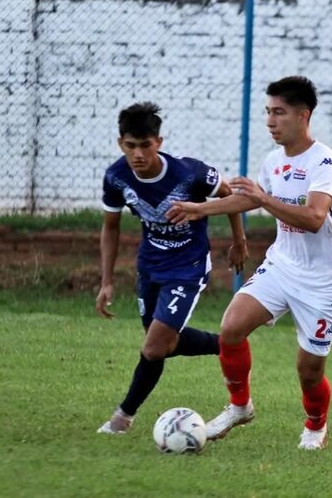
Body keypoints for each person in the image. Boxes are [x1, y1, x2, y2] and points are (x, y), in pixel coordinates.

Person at [167, 76, 332, 450]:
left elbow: (314, 218)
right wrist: (200, 209)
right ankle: (239, 407)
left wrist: (264, 198)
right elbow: (248, 200)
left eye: (278, 112)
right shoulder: (273, 161)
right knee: (231, 328)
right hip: (282, 265)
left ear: (303, 115)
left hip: (322, 281)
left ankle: (315, 426)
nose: (270, 120)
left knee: (309, 371)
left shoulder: (323, 161)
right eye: (268, 111)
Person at [95, 102, 248, 434]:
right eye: (130, 146)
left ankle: (122, 417)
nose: (138, 154)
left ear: (158, 142)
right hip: (150, 265)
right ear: (120, 143)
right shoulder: (116, 177)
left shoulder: (188, 173)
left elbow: (231, 198)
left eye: (145, 145)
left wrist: (239, 241)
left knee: (153, 346)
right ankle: (226, 345)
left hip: (187, 267)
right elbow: (111, 228)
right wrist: (106, 281)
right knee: (163, 343)